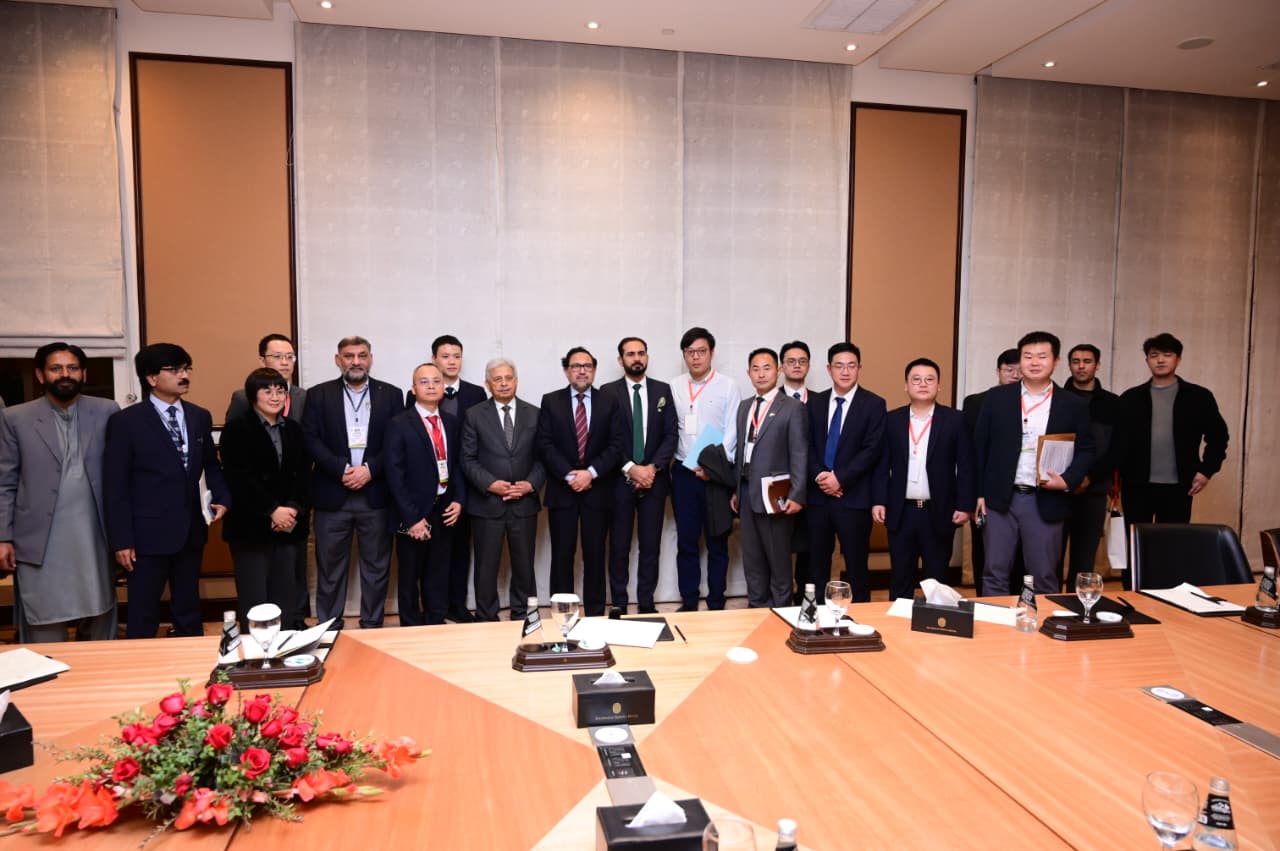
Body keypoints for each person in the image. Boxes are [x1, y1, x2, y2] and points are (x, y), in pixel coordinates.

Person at [104, 343, 229, 638]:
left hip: (190, 530)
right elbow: (115, 485)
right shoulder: (126, 422)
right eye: (174, 370)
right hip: (145, 536)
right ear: (151, 378)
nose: (183, 375)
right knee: (143, 613)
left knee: (189, 609)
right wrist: (122, 540)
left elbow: (211, 465)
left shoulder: (199, 416)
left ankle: (193, 662)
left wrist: (222, 497)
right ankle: (141, 664)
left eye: (186, 369)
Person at [0, 343, 120, 642]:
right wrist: (3, 537)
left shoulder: (107, 411)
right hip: (40, 538)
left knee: (99, 616)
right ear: (41, 375)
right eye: (56, 368)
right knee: (44, 622)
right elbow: (5, 481)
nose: (65, 374)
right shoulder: (15, 418)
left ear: (83, 374)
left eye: (72, 368)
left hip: (94, 535)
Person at [973, 331, 1094, 594]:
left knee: (1043, 575)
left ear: (1056, 361)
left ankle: (1042, 620)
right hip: (1000, 499)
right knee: (994, 572)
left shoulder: (1072, 404)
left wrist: (1068, 480)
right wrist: (979, 493)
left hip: (1045, 499)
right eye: (1028, 356)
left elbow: (1086, 449)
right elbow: (980, 447)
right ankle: (997, 620)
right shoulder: (997, 398)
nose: (1034, 362)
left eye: (1042, 356)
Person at [302, 336, 403, 629]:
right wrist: (342, 469)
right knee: (330, 567)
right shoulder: (318, 394)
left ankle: (372, 625)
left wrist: (370, 469)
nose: (355, 362)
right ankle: (329, 627)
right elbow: (310, 439)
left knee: (376, 567)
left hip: (376, 494)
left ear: (370, 358)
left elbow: (397, 442)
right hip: (332, 494)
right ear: (338, 360)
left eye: (361, 355)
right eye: (349, 356)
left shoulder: (391, 394)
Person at [871, 358, 975, 601]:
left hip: (939, 511)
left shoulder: (955, 420)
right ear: (906, 385)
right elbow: (881, 465)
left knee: (937, 578)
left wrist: (965, 505)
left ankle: (937, 620)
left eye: (929, 379)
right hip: (901, 511)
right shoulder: (892, 420)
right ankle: (899, 621)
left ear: (939, 386)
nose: (923, 384)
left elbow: (966, 465)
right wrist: (879, 500)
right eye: (916, 379)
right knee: (900, 577)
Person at [225, 332, 309, 627]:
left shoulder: (294, 430)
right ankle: (255, 652)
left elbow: (303, 475)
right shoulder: (237, 429)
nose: (275, 397)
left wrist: (292, 509)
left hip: (288, 526)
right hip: (252, 526)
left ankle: (286, 647)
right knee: (255, 598)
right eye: (267, 391)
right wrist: (272, 510)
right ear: (252, 396)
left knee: (285, 596)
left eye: (280, 391)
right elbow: (239, 477)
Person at [536, 347, 624, 617]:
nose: (582, 371)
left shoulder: (609, 401)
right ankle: (562, 613)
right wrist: (570, 475)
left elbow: (616, 445)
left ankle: (595, 613)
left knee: (595, 556)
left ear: (594, 370)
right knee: (562, 556)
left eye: (587, 366)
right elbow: (544, 444)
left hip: (598, 491)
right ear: (566, 371)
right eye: (576, 366)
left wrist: (591, 473)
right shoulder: (551, 401)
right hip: (562, 491)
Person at [461, 358, 544, 622]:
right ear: (488, 384)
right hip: (487, 504)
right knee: (486, 567)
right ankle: (486, 617)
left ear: (516, 381)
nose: (504, 383)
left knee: (524, 566)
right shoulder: (474, 414)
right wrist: (490, 484)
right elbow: (467, 459)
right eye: (497, 379)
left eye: (508, 378)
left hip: (524, 503)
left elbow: (543, 457)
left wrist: (530, 484)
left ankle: (523, 615)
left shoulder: (535, 413)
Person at [411, 335, 487, 623]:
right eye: (445, 356)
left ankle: (458, 606)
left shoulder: (476, 392)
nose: (452, 361)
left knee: (460, 551)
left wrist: (463, 493)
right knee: (428, 556)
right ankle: (432, 610)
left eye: (457, 356)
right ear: (434, 359)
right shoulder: (418, 392)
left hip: (463, 484)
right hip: (429, 489)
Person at [1117, 332, 1228, 526]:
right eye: (1154, 355)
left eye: (1167, 355)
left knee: (1173, 539)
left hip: (1179, 486)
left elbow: (1218, 436)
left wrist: (1206, 471)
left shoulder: (1198, 397)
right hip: (1136, 486)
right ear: (1147, 360)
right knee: (1136, 539)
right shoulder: (1130, 398)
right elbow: (1118, 441)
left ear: (1178, 359)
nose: (1160, 360)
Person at [600, 337, 678, 614]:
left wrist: (652, 468)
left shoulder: (662, 390)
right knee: (619, 545)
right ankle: (619, 603)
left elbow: (671, 434)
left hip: (654, 481)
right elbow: (606, 437)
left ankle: (646, 603)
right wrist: (630, 467)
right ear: (620, 360)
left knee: (650, 546)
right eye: (630, 354)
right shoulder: (608, 392)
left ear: (647, 357)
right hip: (619, 481)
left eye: (641, 353)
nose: (637, 358)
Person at [386, 363, 466, 626]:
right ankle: (411, 627)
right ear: (413, 389)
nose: (431, 386)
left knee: (439, 572)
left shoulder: (451, 423)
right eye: (424, 382)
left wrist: (458, 500)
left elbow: (457, 465)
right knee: (410, 574)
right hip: (413, 511)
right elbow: (394, 474)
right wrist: (411, 518)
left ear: (444, 387)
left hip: (444, 508)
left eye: (436, 381)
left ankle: (436, 622)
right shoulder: (399, 423)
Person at [806, 342, 885, 603]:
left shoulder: (874, 404)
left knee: (856, 566)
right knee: (816, 565)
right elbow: (806, 445)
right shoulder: (814, 403)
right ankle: (815, 615)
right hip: (818, 498)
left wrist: (840, 478)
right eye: (839, 366)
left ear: (859, 368)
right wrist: (821, 476)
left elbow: (871, 450)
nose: (845, 371)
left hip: (853, 498)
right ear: (829, 369)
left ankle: (859, 616)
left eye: (851, 365)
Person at [669, 327, 740, 611]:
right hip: (683, 473)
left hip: (715, 476)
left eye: (701, 351)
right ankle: (688, 602)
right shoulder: (674, 386)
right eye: (690, 352)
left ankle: (716, 602)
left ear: (712, 353)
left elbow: (732, 432)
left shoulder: (728, 386)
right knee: (686, 541)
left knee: (717, 541)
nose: (696, 357)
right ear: (684, 355)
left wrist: (714, 467)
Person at [732, 348, 807, 607]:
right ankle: (756, 609)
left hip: (776, 495)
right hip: (746, 493)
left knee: (778, 561)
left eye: (767, 368)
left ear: (778, 371)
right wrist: (736, 490)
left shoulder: (792, 407)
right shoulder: (744, 407)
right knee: (752, 561)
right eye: (756, 368)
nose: (761, 374)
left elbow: (799, 453)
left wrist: (797, 495)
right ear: (748, 373)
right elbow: (741, 452)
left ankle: (781, 611)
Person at [1059, 343, 1121, 591]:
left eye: (1087, 361)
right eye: (1076, 361)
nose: (1081, 366)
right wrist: (1071, 478)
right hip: (1059, 488)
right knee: (1051, 555)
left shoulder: (1112, 403)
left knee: (1084, 557)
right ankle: (1048, 603)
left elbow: (1116, 449)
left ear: (1097, 365)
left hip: (1094, 489)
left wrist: (1089, 477)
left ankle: (1078, 604)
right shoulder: (1057, 398)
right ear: (1068, 365)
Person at [961, 347, 1021, 595]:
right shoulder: (976, 403)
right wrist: (973, 494)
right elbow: (969, 453)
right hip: (985, 493)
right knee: (984, 552)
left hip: (1021, 492)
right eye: (1009, 370)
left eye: (1020, 370)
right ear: (998, 371)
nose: (1015, 375)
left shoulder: (1031, 404)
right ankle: (983, 599)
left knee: (1020, 556)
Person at [778, 340, 813, 602]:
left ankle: (805, 602)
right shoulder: (770, 399)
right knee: (779, 549)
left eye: (802, 361)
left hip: (813, 488)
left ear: (809, 366)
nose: (797, 366)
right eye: (791, 361)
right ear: (782, 367)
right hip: (778, 487)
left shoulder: (822, 401)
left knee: (809, 551)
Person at [225, 333, 307, 423]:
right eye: (277, 356)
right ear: (262, 361)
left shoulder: (304, 397)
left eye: (290, 357)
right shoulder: (243, 398)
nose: (285, 362)